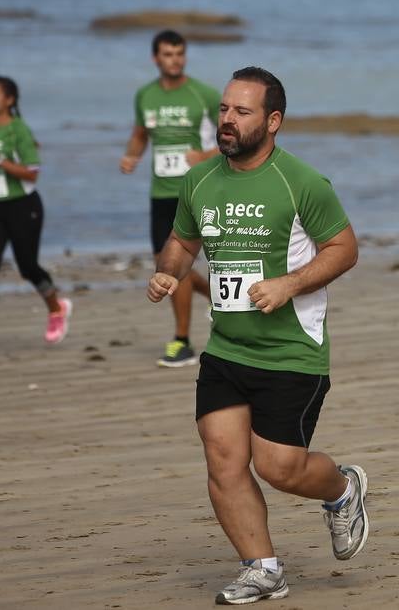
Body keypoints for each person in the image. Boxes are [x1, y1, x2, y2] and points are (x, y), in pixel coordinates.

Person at [146, 66, 368, 604]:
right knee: (222, 458)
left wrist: (290, 285)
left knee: (279, 468)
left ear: (272, 122)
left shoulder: (302, 182)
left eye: (241, 112)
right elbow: (182, 241)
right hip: (226, 349)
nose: (227, 119)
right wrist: (169, 271)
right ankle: (262, 567)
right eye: (223, 109)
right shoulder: (198, 179)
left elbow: (345, 249)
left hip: (292, 351)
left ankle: (342, 488)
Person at [120, 30, 221, 368]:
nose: (174, 59)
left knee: (176, 269)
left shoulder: (203, 94)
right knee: (165, 267)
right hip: (160, 194)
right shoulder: (145, 95)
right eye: (167, 54)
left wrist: (204, 156)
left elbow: (233, 138)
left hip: (197, 190)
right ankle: (212, 296)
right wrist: (131, 156)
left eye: (179, 53)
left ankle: (182, 342)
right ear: (155, 58)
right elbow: (139, 135)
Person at [0, 77, 74, 355]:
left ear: (9, 100)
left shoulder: (19, 130)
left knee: (27, 267)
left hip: (23, 207)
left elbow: (32, 172)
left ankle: (57, 308)